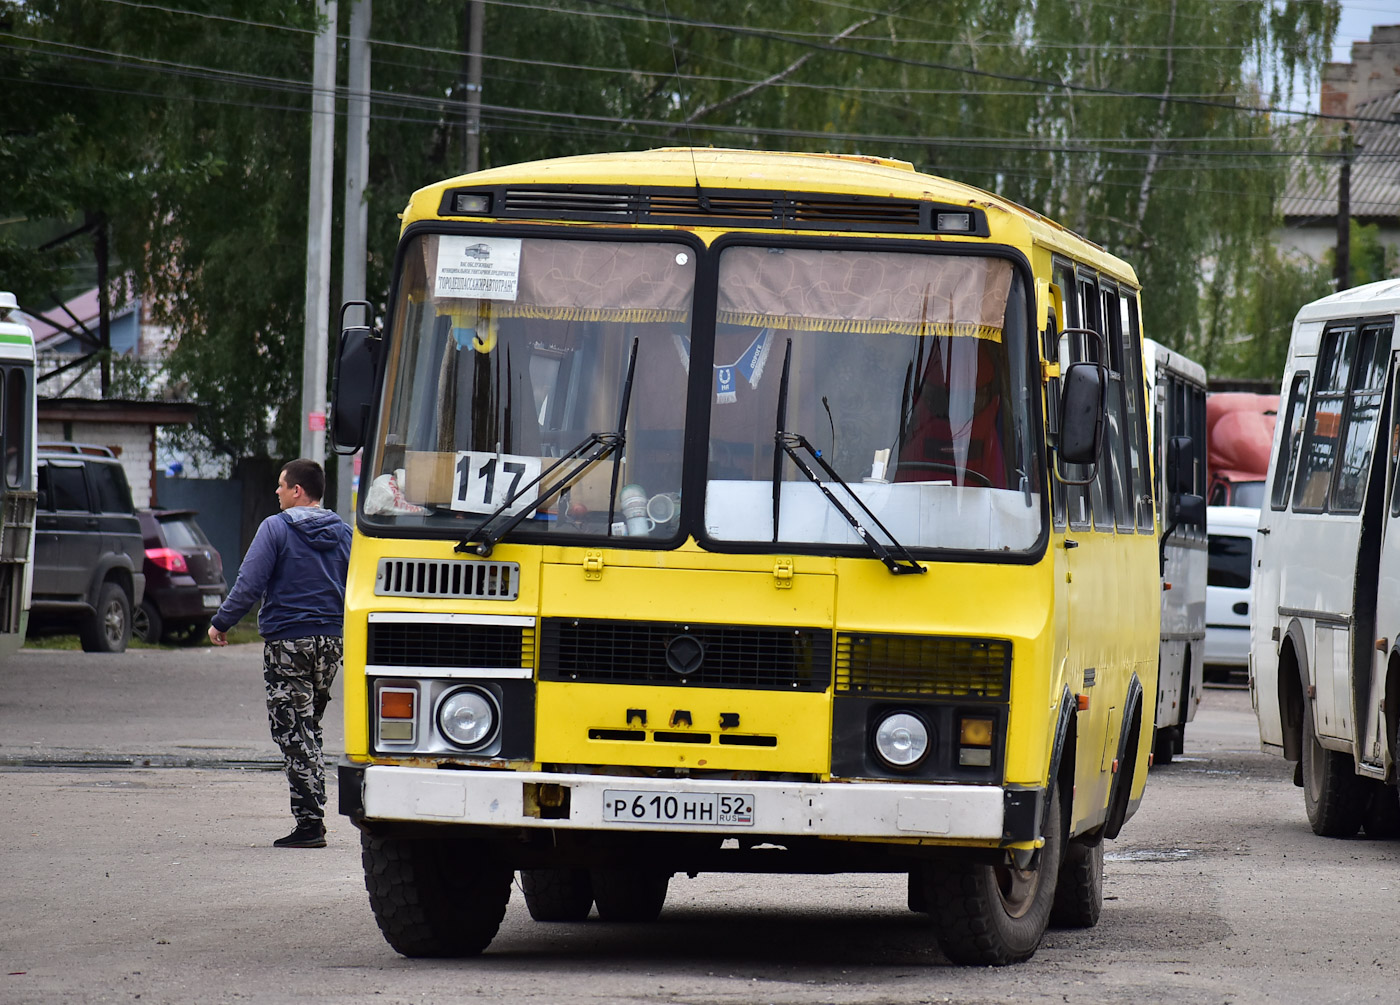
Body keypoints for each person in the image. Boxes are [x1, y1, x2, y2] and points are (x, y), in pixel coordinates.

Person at [209, 459, 353, 849]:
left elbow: (249, 581)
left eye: (281, 486)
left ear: (297, 491)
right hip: (330, 642)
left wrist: (221, 622)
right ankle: (313, 811)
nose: (276, 492)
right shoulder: (344, 532)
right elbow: (357, 584)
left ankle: (310, 824)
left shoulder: (275, 528)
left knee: (293, 730)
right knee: (309, 726)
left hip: (289, 641)